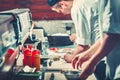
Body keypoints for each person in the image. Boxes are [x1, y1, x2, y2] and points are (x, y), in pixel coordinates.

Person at [72, 0, 120, 80]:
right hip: (111, 64)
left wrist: (92, 63)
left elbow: (113, 35)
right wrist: (88, 54)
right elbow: (105, 37)